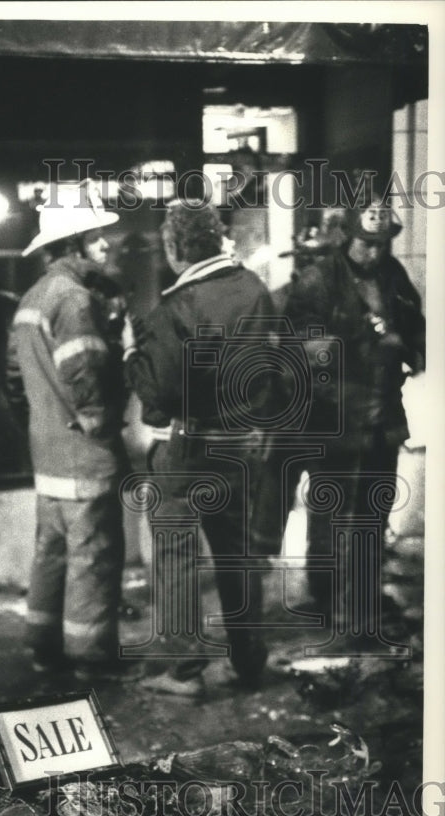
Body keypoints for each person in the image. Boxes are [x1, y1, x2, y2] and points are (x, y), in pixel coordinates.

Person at [122, 199, 280, 697]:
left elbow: (162, 392)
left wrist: (132, 352)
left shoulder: (177, 306)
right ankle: (248, 661)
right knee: (237, 555)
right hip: (240, 446)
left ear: (174, 247)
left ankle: (183, 669)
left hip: (188, 451)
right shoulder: (254, 290)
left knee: (177, 556)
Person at [6, 181, 130, 685]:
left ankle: (44, 647)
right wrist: (102, 427)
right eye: (96, 236)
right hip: (84, 456)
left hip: (48, 455)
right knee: (92, 558)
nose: (105, 244)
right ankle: (91, 658)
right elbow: (87, 375)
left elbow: (13, 380)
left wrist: (43, 422)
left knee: (52, 555)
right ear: (73, 244)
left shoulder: (32, 298)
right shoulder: (76, 300)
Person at [284, 200, 425, 637]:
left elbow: (416, 326)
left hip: (382, 418)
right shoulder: (319, 280)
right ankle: (341, 608)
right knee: (339, 518)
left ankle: (356, 601)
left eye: (382, 243)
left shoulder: (393, 275)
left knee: (372, 514)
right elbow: (298, 347)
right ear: (348, 238)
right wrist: (362, 343)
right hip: (336, 421)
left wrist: (410, 345)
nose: (375, 252)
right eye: (367, 243)